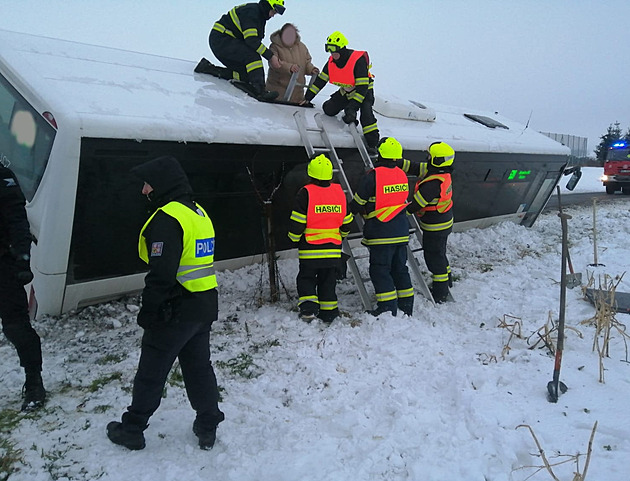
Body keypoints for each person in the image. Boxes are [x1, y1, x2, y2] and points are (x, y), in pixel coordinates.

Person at [107, 156, 224, 451]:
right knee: (199, 367)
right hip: (203, 305)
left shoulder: (167, 219)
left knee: (152, 370)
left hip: (176, 308)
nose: (144, 190)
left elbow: (161, 275)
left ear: (161, 184)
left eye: (147, 184)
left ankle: (133, 428)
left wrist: (149, 311)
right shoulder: (198, 213)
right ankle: (208, 423)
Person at [349, 137, 414, 317]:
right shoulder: (402, 175)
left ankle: (387, 308)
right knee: (400, 268)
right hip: (401, 231)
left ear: (380, 154)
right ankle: (407, 305)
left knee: (380, 270)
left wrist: (345, 216)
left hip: (381, 232)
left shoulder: (373, 176)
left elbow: (358, 202)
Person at [0, 163, 46, 411]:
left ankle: (34, 381)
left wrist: (22, 259)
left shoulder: (3, 177)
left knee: (16, 327)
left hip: (4, 266)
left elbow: (18, 222)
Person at [288, 154, 354, 323]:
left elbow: (298, 222)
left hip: (310, 249)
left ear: (311, 173)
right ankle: (329, 313)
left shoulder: (305, 193)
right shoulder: (339, 192)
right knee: (328, 281)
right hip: (333, 249)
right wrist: (341, 236)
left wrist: (293, 238)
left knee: (307, 279)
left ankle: (309, 311)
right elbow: (347, 223)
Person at [301, 31, 379, 155]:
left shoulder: (358, 61)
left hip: (363, 93)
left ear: (342, 48)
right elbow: (321, 80)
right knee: (329, 109)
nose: (332, 53)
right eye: (329, 49)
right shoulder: (331, 62)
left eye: (334, 49)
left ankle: (373, 144)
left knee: (367, 116)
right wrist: (308, 97)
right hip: (346, 92)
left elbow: (362, 89)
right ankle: (347, 111)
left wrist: (352, 108)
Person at [404, 141, 455, 304]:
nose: (427, 158)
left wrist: (397, 212)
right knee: (440, 252)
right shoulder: (441, 173)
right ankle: (448, 279)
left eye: (430, 156)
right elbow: (415, 167)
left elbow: (415, 206)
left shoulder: (433, 184)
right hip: (444, 222)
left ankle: (440, 292)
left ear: (437, 160)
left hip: (435, 227)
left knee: (433, 257)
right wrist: (394, 162)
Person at [209, 0, 285, 100]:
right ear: (268, 5)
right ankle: (260, 91)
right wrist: (270, 57)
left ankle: (209, 69)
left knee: (247, 75)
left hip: (224, 42)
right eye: (274, 11)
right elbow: (252, 41)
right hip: (221, 40)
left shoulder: (259, 16)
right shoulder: (252, 12)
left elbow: (253, 41)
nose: (273, 15)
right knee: (252, 56)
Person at [265, 23, 319, 103]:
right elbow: (274, 63)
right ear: (281, 34)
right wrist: (289, 67)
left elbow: (307, 62)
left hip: (297, 97)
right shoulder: (274, 47)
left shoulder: (302, 47)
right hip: (277, 96)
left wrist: (311, 69)